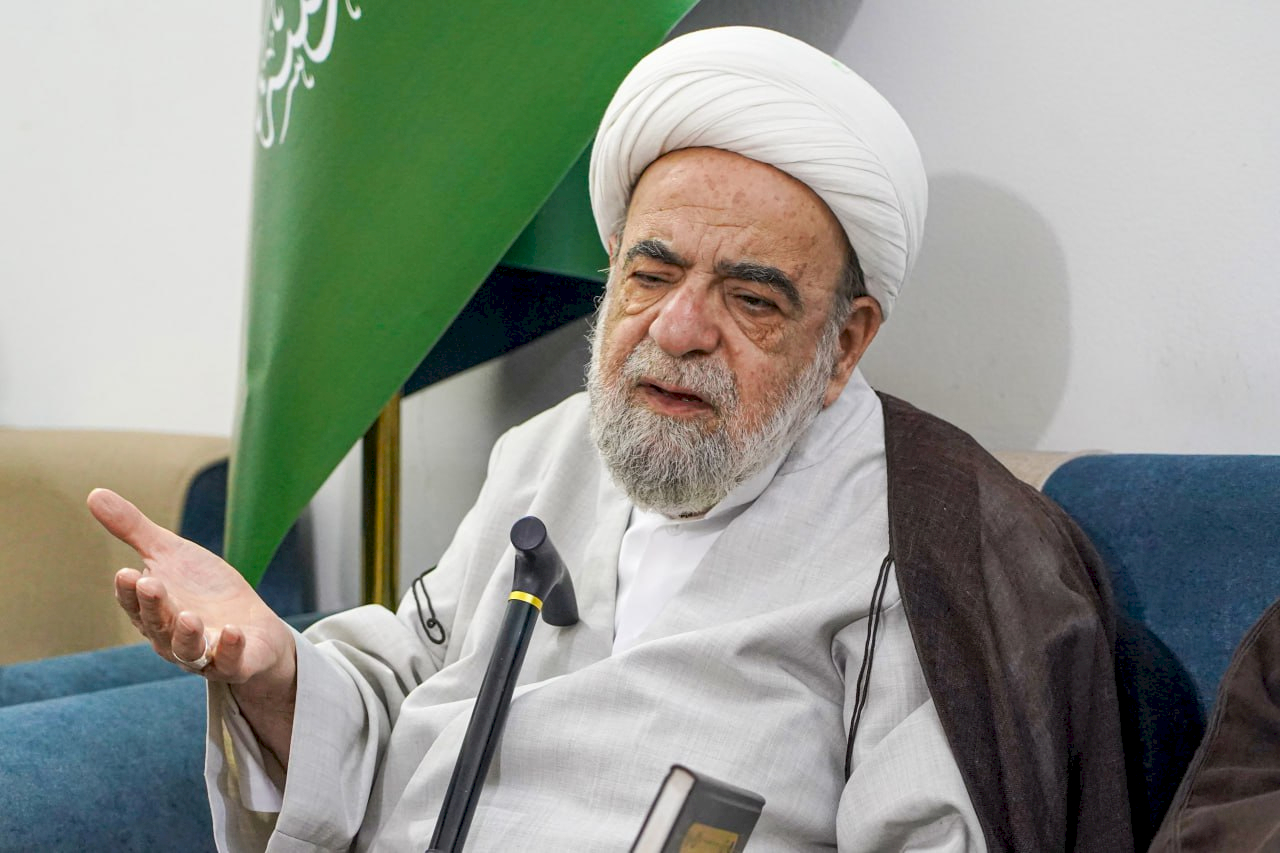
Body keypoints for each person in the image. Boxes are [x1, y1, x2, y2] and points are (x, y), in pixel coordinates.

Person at [89, 27, 1132, 852]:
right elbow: (407, 686)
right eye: (651, 272)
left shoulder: (924, 545)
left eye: (750, 298)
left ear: (844, 343)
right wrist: (276, 671)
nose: (677, 330)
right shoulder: (549, 452)